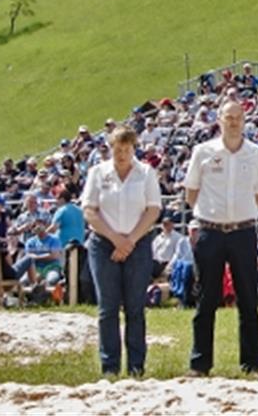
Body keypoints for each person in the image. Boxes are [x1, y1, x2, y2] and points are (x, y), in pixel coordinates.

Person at [184, 99, 258, 377]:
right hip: (210, 231)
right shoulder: (203, 151)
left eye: (238, 117)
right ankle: (199, 364)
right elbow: (191, 191)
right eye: (228, 117)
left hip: (243, 231)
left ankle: (252, 365)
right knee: (206, 299)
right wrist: (210, 214)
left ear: (244, 120)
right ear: (219, 120)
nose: (233, 122)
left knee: (248, 300)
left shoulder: (256, 154)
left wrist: (237, 214)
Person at [81, 126, 162, 377]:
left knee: (135, 307)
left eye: (127, 150)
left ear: (133, 149)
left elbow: (153, 210)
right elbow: (89, 210)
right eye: (118, 149)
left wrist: (129, 241)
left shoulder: (146, 173)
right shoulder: (98, 173)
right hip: (104, 243)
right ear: (110, 148)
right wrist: (115, 239)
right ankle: (110, 366)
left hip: (137, 243)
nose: (122, 155)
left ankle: (136, 365)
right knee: (107, 307)